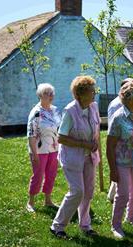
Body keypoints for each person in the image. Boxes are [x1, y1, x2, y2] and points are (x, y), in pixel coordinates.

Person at [50, 76, 101, 238]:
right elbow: (61, 138)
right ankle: (57, 226)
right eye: (91, 91)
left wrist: (95, 144)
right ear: (80, 94)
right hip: (72, 158)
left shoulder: (93, 107)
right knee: (78, 191)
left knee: (89, 192)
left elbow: (96, 129)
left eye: (94, 90)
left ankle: (85, 225)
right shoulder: (70, 111)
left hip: (89, 157)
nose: (94, 93)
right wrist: (84, 144)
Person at [107, 81, 133, 239]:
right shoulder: (118, 118)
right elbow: (110, 145)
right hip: (122, 163)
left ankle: (131, 217)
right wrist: (112, 169)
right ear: (130, 98)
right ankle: (116, 225)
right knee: (123, 194)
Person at [26, 83, 61, 212]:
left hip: (54, 148)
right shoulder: (36, 113)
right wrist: (34, 154)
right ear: (40, 95)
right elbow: (31, 135)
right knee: (38, 175)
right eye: (47, 93)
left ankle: (48, 200)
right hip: (39, 150)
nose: (50, 96)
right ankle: (30, 202)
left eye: (52, 93)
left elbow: (60, 129)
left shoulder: (55, 110)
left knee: (51, 174)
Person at [107, 78, 133, 203]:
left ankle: (116, 195)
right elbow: (115, 126)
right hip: (121, 142)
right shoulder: (117, 105)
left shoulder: (128, 103)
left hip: (129, 142)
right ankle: (116, 196)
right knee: (121, 171)